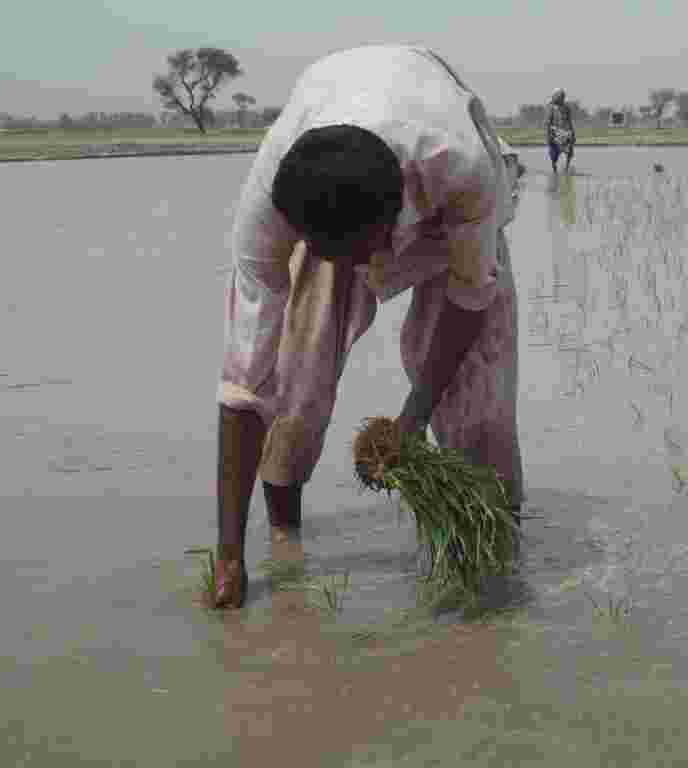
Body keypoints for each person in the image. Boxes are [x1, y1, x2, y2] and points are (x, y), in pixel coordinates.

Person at [213, 45, 526, 609]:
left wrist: (414, 417)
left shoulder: (463, 172)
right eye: (337, 253)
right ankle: (283, 535)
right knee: (298, 366)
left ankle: (495, 539)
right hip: (337, 194)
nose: (360, 270)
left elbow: (469, 293)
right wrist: (229, 556)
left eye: (365, 251)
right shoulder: (269, 211)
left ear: (396, 215)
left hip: (441, 192)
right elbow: (243, 386)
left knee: (480, 397)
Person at [545, 88, 576, 174]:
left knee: (569, 150)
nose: (562, 98)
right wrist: (549, 135)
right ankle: (554, 168)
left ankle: (566, 168)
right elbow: (548, 122)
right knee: (554, 155)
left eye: (563, 96)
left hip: (565, 132)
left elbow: (569, 121)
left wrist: (573, 133)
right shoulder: (550, 107)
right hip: (554, 133)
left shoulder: (566, 108)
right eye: (560, 96)